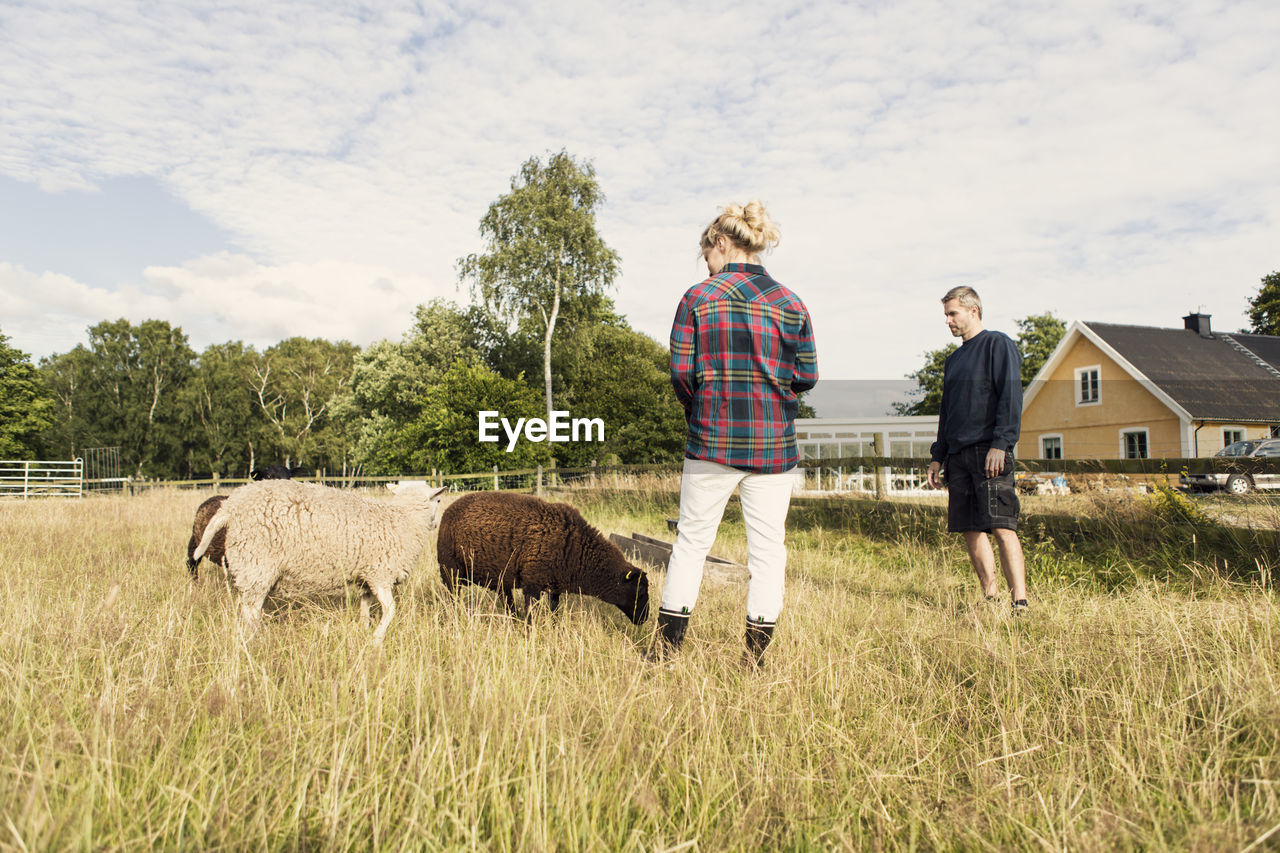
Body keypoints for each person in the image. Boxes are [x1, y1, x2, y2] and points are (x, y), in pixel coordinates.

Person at [649, 200, 818, 665]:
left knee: (691, 544)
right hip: (773, 444)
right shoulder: (791, 302)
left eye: (707, 256)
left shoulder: (697, 298)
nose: (707, 266)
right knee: (768, 551)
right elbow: (807, 375)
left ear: (721, 243)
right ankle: (755, 658)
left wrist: (701, 407)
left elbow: (681, 373)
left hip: (711, 440)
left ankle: (666, 652)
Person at [925, 286, 1029, 614]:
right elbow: (948, 411)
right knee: (970, 528)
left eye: (952, 313)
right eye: (946, 315)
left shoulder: (998, 344)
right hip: (957, 455)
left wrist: (1002, 443)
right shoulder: (953, 360)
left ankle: (1020, 602)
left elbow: (1011, 396)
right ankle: (990, 598)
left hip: (989, 451)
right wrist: (938, 456)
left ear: (974, 311)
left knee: (1001, 525)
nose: (948, 321)